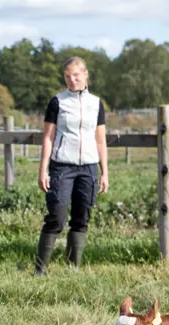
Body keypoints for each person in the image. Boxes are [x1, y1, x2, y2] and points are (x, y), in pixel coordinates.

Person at [34, 56, 109, 276]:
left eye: (76, 75)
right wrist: (43, 169)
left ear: (85, 74)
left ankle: (72, 268)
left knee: (81, 217)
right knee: (56, 216)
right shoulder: (57, 102)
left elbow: (100, 140)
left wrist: (105, 172)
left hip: (88, 167)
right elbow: (48, 137)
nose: (72, 79)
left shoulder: (96, 103)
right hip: (62, 167)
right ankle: (40, 270)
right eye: (67, 76)